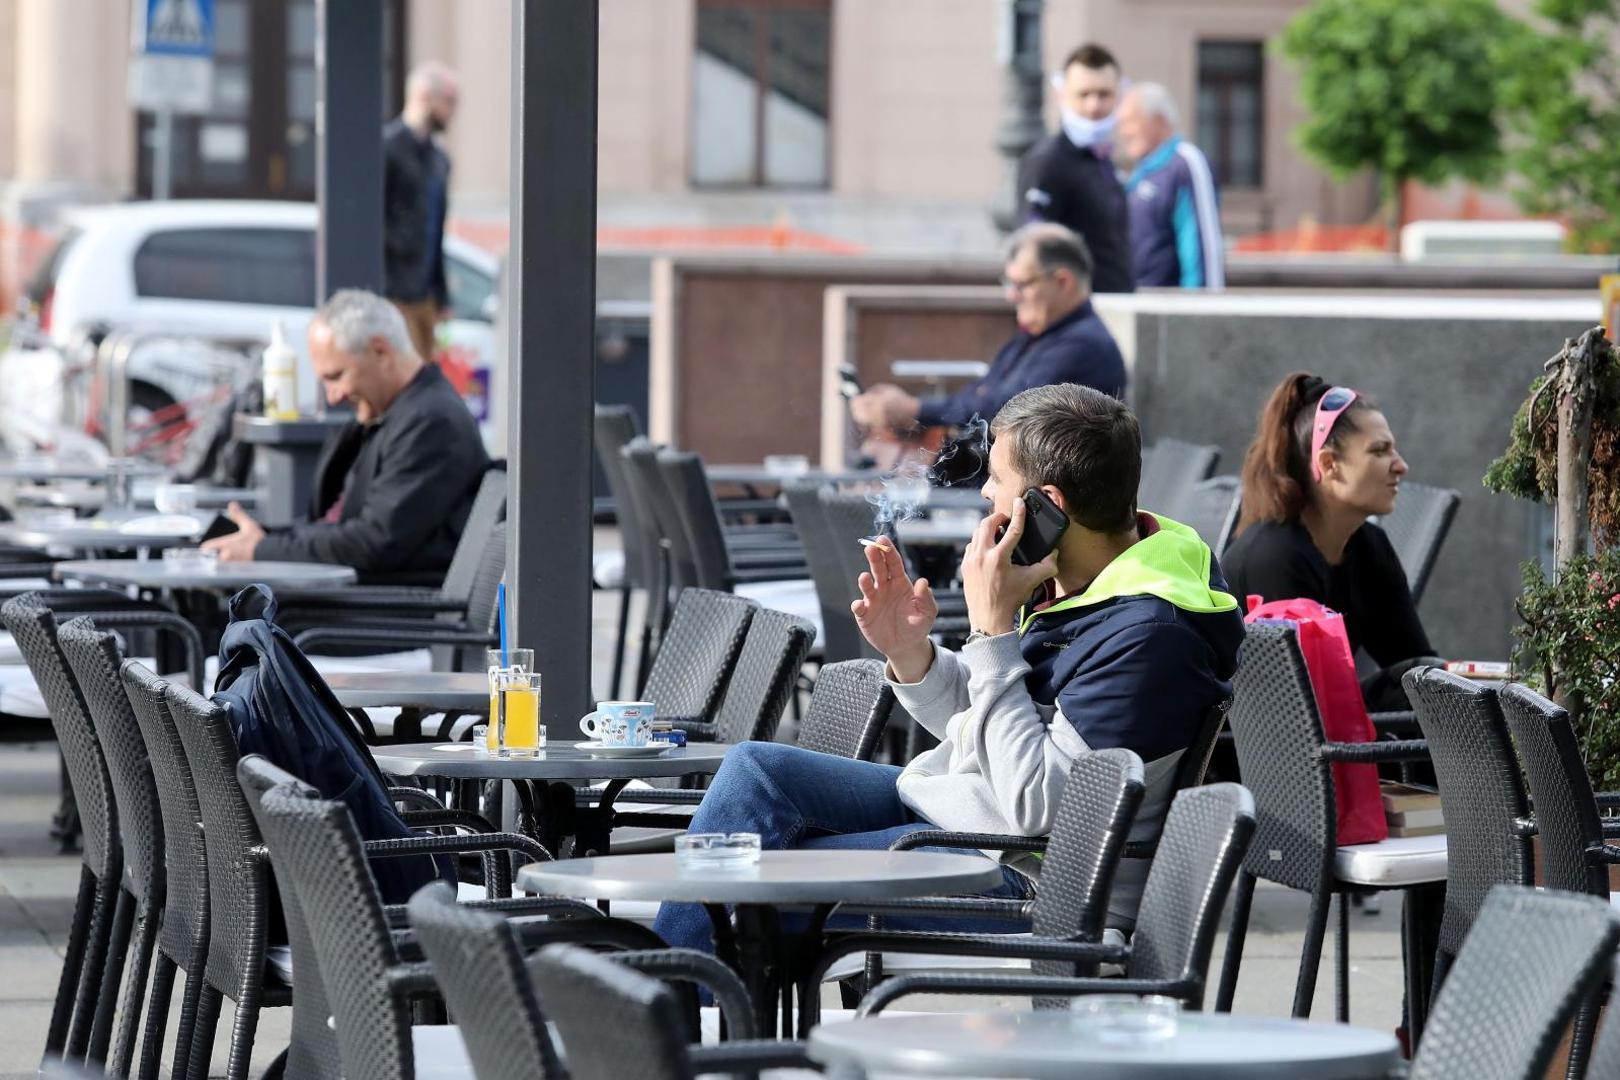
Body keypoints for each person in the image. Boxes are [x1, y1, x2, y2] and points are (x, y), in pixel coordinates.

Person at [651, 383, 1244, 953]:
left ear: (1046, 507)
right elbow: (997, 726)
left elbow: (1035, 806)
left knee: (769, 878)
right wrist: (913, 655)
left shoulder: (1149, 637)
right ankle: (671, 997)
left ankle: (660, 1017)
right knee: (756, 770)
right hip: (970, 818)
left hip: (1037, 882)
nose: (986, 492)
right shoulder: (1085, 584)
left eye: (999, 478)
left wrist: (992, 631)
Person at [202, 290, 489, 580]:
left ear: (380, 351)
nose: (333, 396)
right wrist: (264, 539)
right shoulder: (397, 413)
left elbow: (373, 543)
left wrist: (262, 549)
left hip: (374, 613)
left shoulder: (430, 421)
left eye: (336, 376)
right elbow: (344, 528)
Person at [1223, 373, 1439, 707]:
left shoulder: (1370, 547)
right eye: (1380, 451)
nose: (1401, 466)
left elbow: (1417, 666)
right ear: (1329, 464)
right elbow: (1291, 714)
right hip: (1251, 753)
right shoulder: (1276, 559)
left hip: (1326, 737)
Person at [848, 223, 1126, 436]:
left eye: (1021, 285)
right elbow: (980, 395)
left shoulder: (1084, 345)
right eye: (1009, 285)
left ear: (1063, 282)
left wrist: (912, 410)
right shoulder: (1039, 334)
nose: (1011, 296)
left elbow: (1004, 411)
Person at [1017, 43, 1135, 294]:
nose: (1094, 106)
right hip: (1074, 314)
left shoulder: (1105, 162)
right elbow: (1032, 245)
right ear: (1062, 95)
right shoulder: (1048, 161)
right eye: (1083, 94)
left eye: (1104, 94)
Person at [384, 61, 459, 361]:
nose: (453, 111)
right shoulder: (388, 149)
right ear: (426, 96)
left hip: (424, 292)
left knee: (426, 376)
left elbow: (437, 230)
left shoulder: (439, 160)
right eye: (450, 101)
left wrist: (441, 295)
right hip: (394, 290)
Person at [1117, 82, 1225, 290]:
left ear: (1158, 120)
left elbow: (1202, 248)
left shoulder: (1185, 162)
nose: (1124, 133)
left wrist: (1200, 309)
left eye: (1130, 122)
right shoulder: (1141, 173)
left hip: (1172, 308)